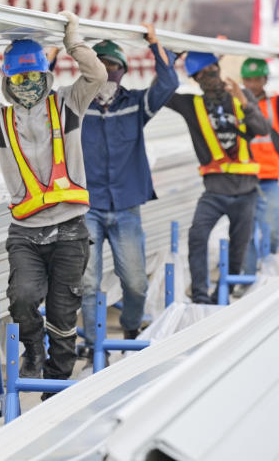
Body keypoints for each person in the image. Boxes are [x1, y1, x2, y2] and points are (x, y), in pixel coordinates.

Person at [0, 13, 106, 383]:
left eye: (33, 77)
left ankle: (55, 386)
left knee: (62, 313)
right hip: (25, 232)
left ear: (46, 76)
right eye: (19, 79)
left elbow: (97, 77)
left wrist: (75, 44)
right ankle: (33, 348)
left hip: (70, 230)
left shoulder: (69, 104)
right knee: (22, 297)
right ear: (8, 82)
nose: (27, 85)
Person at [78, 27, 178, 344]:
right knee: (89, 282)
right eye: (101, 64)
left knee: (135, 282)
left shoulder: (136, 105)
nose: (108, 71)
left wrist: (154, 44)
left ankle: (132, 326)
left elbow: (170, 83)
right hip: (87, 207)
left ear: (123, 71)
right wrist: (52, 57)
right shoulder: (76, 105)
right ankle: (96, 347)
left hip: (126, 207)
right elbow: (42, 95)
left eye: (114, 66)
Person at [165, 53, 268, 303]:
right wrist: (168, 60)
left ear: (219, 68)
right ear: (195, 80)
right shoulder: (191, 104)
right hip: (214, 192)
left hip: (246, 193)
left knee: (238, 250)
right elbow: (163, 91)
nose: (209, 75)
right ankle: (200, 296)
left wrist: (244, 100)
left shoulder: (240, 97)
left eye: (213, 69)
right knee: (197, 236)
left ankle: (224, 292)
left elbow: (262, 129)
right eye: (202, 73)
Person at [240, 58, 279, 274]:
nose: (252, 85)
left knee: (273, 230)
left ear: (265, 80)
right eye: (248, 80)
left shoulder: (275, 104)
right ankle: (249, 278)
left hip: (270, 177)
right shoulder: (236, 104)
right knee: (245, 232)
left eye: (257, 79)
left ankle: (270, 273)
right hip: (243, 178)